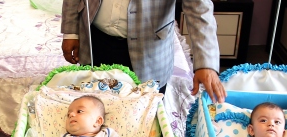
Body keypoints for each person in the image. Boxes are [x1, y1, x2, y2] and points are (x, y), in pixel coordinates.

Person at [60, 0, 226, 103]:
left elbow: (199, 8)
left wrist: (206, 64)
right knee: (96, 108)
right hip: (94, 40)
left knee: (145, 119)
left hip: (149, 49)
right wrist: (71, 32)